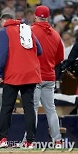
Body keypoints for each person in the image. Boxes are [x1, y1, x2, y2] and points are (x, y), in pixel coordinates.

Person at [0, 13, 42, 149]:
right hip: (31, 73)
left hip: (12, 74)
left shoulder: (5, 31)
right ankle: (30, 142)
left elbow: (2, 55)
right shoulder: (27, 28)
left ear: (4, 21)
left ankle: (2, 139)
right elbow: (40, 50)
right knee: (29, 107)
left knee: (7, 107)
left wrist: (0, 73)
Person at [21, 5, 64, 148]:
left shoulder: (30, 31)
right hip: (50, 76)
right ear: (48, 17)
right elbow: (60, 58)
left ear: (35, 16)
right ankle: (57, 141)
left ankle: (29, 141)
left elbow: (24, 53)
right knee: (51, 110)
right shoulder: (56, 34)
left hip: (34, 76)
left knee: (32, 109)